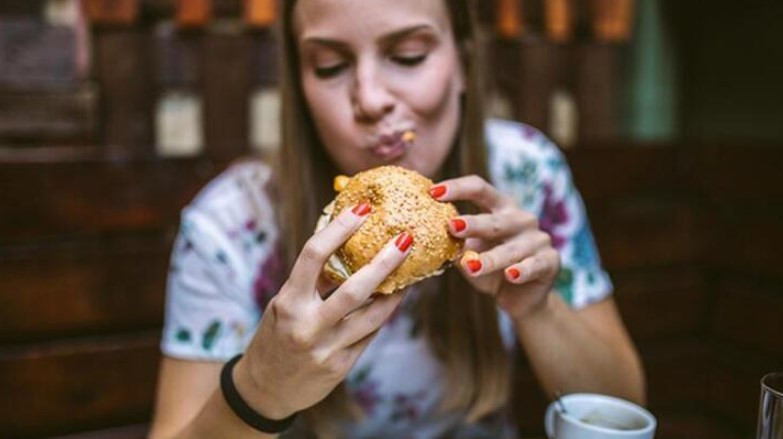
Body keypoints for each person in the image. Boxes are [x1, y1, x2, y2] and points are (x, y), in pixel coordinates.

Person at [149, 0, 645, 437]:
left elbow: (624, 408)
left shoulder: (525, 172)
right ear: (299, 87)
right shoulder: (229, 225)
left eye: (408, 56)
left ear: (464, 63)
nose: (370, 98)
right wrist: (259, 389)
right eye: (329, 66)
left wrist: (539, 310)